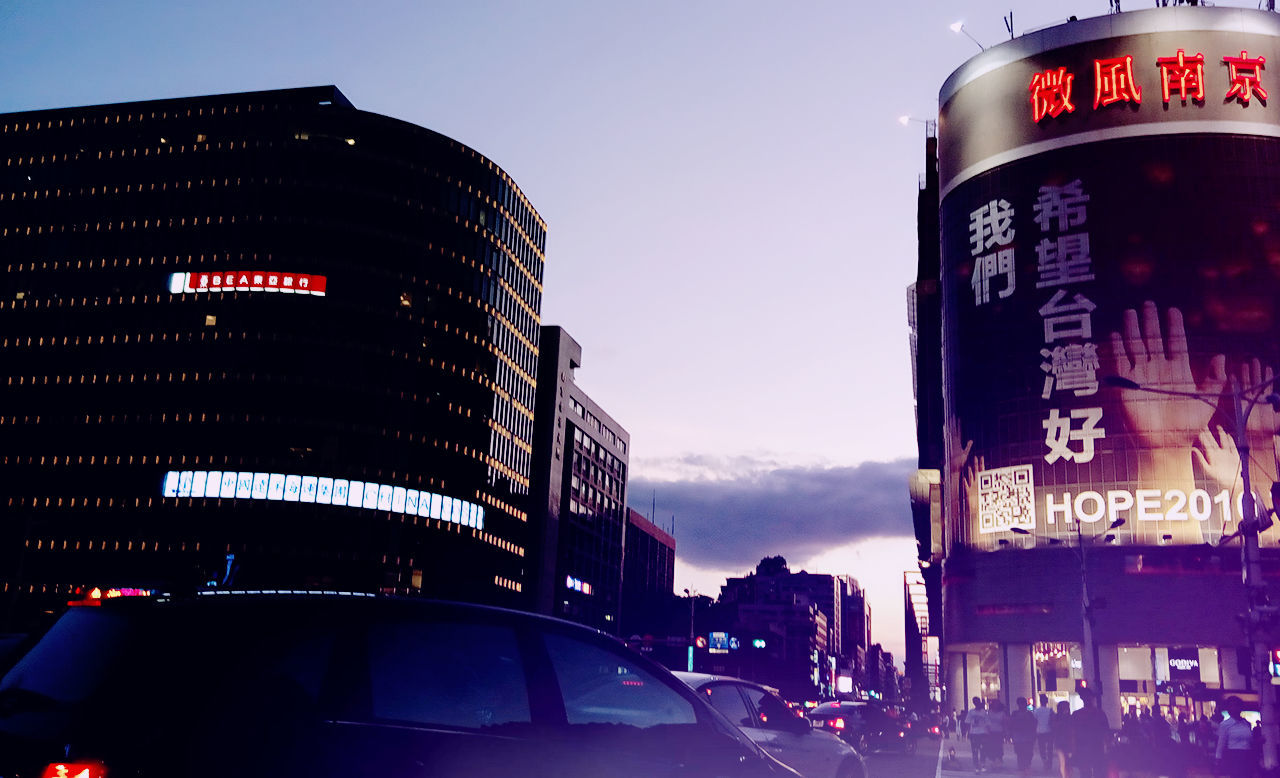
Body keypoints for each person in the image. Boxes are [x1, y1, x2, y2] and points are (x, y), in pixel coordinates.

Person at [1071, 688, 1111, 778]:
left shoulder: (1076, 715)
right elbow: (1106, 732)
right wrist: (1107, 746)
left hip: (1082, 747)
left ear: (1082, 699)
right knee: (1098, 771)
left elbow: (1073, 733)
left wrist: (1073, 749)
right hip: (1097, 746)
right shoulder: (1100, 713)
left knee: (1085, 772)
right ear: (1093, 699)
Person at [1216, 696, 1255, 778]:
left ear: (1241, 707)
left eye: (1236, 705)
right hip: (1234, 756)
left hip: (1248, 755)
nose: (1234, 708)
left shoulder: (1246, 723)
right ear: (1228, 709)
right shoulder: (1225, 724)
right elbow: (1221, 743)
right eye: (1231, 706)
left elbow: (1250, 741)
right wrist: (1218, 760)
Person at [1009, 696, 1037, 776]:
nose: (1022, 705)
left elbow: (1034, 725)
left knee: (1028, 752)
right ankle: (1022, 766)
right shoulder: (1015, 713)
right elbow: (1011, 724)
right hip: (1018, 736)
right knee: (1019, 752)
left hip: (1028, 736)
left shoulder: (1029, 714)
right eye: (1021, 704)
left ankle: (1026, 765)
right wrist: (1010, 734)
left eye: (1023, 703)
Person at [968, 697, 990, 773]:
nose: (976, 703)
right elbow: (967, 722)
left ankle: (982, 764)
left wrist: (988, 732)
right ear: (974, 703)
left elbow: (987, 723)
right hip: (973, 733)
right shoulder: (971, 712)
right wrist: (968, 733)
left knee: (983, 749)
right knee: (975, 750)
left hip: (982, 733)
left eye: (977, 701)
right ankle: (976, 765)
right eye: (975, 702)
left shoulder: (983, 712)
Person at [1051, 700, 1072, 778]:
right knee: (1068, 762)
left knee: (1062, 762)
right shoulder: (1070, 717)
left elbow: (1053, 728)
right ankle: (1067, 776)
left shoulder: (1055, 718)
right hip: (1069, 742)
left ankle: (1064, 776)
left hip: (1059, 741)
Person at [1033, 694, 1054, 771]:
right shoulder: (1050, 710)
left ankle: (1044, 760)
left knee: (1042, 748)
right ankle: (1049, 763)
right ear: (1047, 701)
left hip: (1039, 731)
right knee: (1049, 749)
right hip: (1049, 731)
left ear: (1040, 701)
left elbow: (1034, 722)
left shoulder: (1036, 711)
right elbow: (1053, 721)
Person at [987, 700, 1007, 769]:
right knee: (991, 747)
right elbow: (987, 722)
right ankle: (993, 761)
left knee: (999, 747)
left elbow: (1004, 723)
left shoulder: (1002, 713)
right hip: (991, 732)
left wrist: (1005, 733)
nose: (995, 705)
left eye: (997, 704)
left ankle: (999, 761)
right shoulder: (989, 712)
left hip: (999, 732)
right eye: (994, 704)